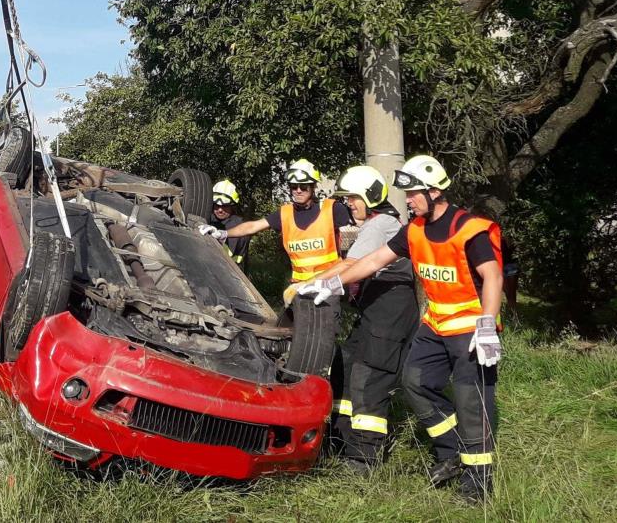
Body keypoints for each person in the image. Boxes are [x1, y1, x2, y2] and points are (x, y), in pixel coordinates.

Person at [298, 154, 504, 504]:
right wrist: (333, 283)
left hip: (471, 329)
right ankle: (451, 450)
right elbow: (375, 260)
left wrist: (487, 324)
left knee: (471, 403)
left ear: (434, 191)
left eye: (413, 193)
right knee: (415, 384)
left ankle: (477, 486)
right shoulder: (414, 230)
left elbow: (493, 276)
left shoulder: (470, 229)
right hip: (435, 324)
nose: (407, 200)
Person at [326, 165, 415, 472]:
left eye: (353, 197)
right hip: (375, 310)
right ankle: (339, 439)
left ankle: (363, 457)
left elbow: (348, 266)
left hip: (390, 313)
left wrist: (307, 286)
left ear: (370, 196)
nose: (348, 203)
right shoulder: (379, 224)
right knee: (346, 364)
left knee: (369, 377)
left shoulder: (380, 225)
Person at [202, 159, 348, 286]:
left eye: (303, 186)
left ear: (313, 186)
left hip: (327, 287)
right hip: (299, 287)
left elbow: (359, 224)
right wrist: (223, 233)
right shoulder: (285, 213)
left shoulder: (332, 209)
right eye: (293, 186)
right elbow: (253, 226)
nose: (298, 190)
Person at [202, 179, 252, 266]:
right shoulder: (208, 217)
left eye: (224, 206)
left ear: (233, 206)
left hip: (230, 269)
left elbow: (227, 254)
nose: (220, 210)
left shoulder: (239, 227)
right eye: (217, 205)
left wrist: (217, 237)